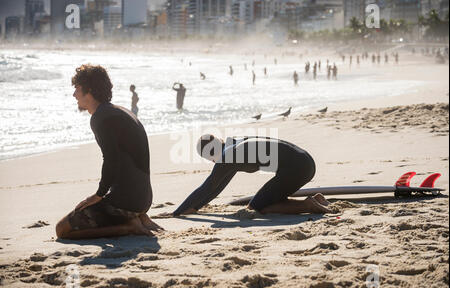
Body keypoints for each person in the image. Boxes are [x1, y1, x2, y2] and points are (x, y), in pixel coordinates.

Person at [55, 64, 162, 239]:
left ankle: (128, 226)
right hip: (143, 198)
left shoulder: (101, 118)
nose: (74, 95)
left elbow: (111, 160)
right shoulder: (120, 112)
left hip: (127, 201)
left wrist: (98, 194)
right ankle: (138, 216)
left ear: (88, 90)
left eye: (77, 89)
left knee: (62, 230)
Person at [171, 135, 332, 216]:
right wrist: (194, 207)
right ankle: (317, 200)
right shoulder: (234, 146)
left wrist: (178, 212)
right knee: (265, 199)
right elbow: (217, 187)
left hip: (297, 168)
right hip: (305, 162)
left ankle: (307, 205)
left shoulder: (229, 156)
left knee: (256, 208)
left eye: (209, 159)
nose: (213, 163)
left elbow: (209, 186)